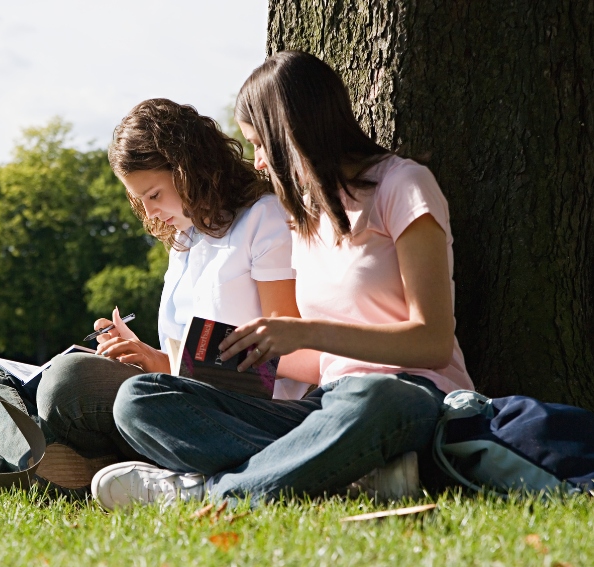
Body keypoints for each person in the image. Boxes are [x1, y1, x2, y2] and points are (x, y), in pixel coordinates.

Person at [92, 51, 476, 509]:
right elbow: (318, 369)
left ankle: (211, 495)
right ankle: (349, 473)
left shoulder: (404, 186)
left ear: (292, 131)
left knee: (376, 398)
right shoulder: (306, 217)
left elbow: (433, 342)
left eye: (259, 143)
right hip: (325, 406)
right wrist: (230, 352)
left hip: (407, 394)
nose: (256, 162)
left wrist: (303, 332)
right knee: (138, 401)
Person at [31, 98, 303, 496]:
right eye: (139, 200)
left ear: (189, 168)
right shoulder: (185, 238)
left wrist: (166, 362)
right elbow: (182, 348)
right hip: (182, 394)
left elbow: (290, 354)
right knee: (44, 379)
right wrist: (138, 351)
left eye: (154, 194)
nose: (151, 212)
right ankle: (114, 465)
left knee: (70, 384)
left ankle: (117, 467)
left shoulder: (264, 220)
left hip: (249, 411)